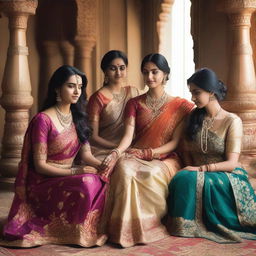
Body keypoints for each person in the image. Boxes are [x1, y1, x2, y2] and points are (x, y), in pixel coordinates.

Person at [1, 65, 107, 247]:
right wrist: (75, 171)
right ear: (57, 88)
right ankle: (70, 229)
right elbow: (40, 165)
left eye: (80, 87)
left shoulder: (79, 118)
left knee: (101, 179)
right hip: (43, 181)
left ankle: (81, 228)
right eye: (71, 86)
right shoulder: (43, 120)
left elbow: (87, 155)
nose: (77, 91)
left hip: (66, 177)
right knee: (87, 181)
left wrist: (104, 165)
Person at [101, 53, 194, 247]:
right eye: (145, 72)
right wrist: (117, 152)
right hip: (135, 153)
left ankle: (149, 226)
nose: (149, 77)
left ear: (165, 74)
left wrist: (149, 153)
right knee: (125, 171)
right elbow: (128, 136)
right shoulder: (134, 104)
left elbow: (175, 142)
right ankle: (124, 230)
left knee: (150, 174)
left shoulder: (180, 106)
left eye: (154, 72)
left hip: (164, 157)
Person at [167, 68, 256, 243]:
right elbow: (179, 145)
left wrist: (200, 169)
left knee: (187, 177)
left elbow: (231, 163)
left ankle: (194, 224)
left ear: (211, 91)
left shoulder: (232, 121)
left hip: (227, 176)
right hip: (199, 173)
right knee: (182, 177)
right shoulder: (193, 118)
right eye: (191, 93)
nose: (192, 98)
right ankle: (184, 225)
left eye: (196, 92)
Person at [87, 50, 139, 162]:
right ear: (105, 71)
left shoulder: (133, 92)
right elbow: (93, 137)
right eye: (113, 68)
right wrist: (118, 148)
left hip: (131, 148)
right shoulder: (97, 98)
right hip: (104, 150)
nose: (118, 73)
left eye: (122, 68)